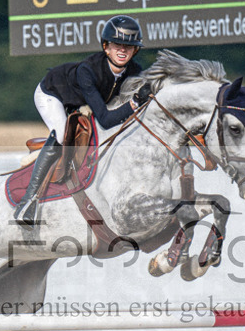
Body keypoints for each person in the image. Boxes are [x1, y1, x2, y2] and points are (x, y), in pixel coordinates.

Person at [15, 15, 152, 226]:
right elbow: (106, 120)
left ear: (136, 50)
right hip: (52, 93)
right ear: (106, 47)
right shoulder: (88, 70)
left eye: (129, 46)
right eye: (117, 45)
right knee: (61, 134)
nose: (123, 50)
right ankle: (27, 200)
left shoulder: (135, 71)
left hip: (80, 101)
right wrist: (134, 103)